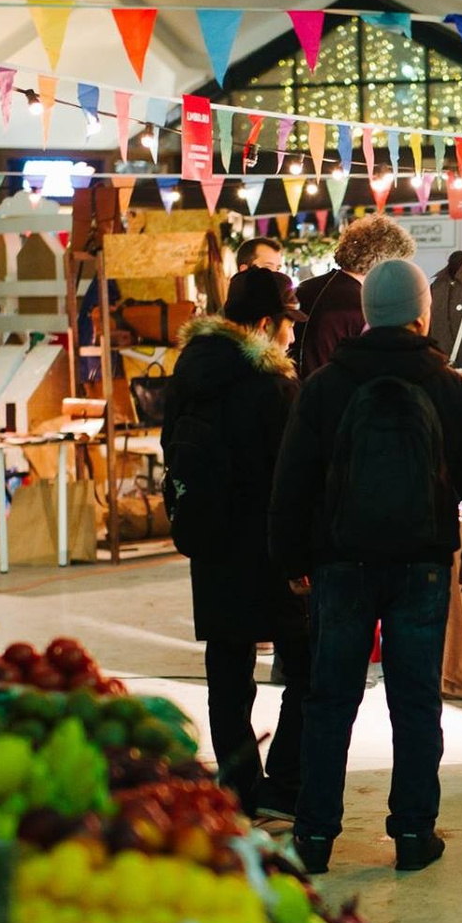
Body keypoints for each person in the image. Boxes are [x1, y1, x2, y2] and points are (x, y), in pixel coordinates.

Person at [269, 258, 462, 873]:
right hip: (421, 564)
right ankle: (412, 833)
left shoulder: (324, 386)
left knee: (330, 702)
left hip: (340, 563)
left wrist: (292, 558)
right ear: (422, 315)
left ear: (367, 315)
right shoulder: (450, 388)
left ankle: (314, 836)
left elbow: (291, 483)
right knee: (415, 703)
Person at [164, 268, 311, 818]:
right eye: (288, 324)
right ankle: (287, 781)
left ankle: (239, 787)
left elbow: (171, 447)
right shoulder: (274, 386)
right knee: (308, 666)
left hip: (211, 541)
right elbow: (293, 476)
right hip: (269, 547)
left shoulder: (190, 371)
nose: (292, 336)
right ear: (266, 324)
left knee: (227, 670)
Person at [293, 214, 415, 378]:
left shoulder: (304, 288)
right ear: (384, 263)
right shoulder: (367, 307)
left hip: (291, 389)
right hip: (332, 391)